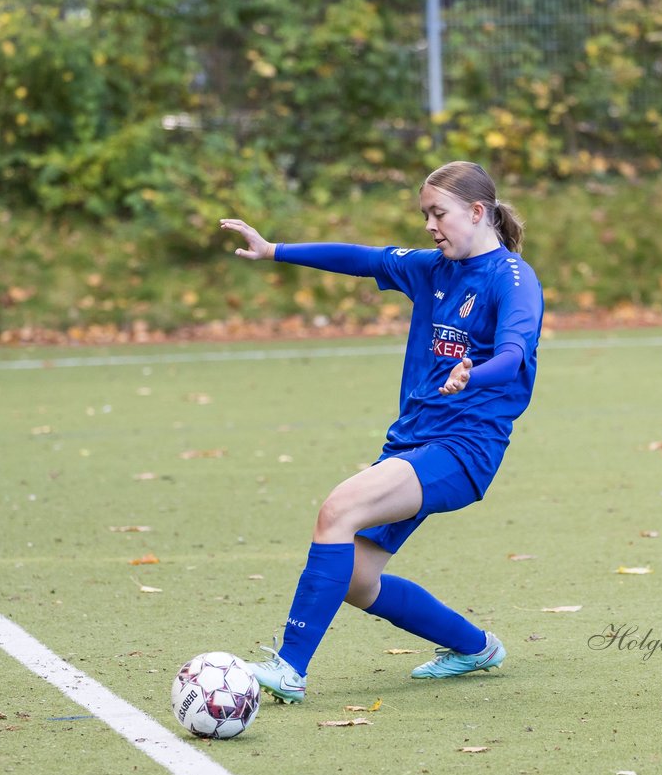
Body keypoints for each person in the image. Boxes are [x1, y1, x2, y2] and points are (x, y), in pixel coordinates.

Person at [219, 161, 543, 703]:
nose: (429, 225)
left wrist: (472, 372)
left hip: (463, 448)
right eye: (425, 214)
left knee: (338, 510)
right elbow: (363, 259)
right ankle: (474, 647)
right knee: (355, 581)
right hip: (413, 441)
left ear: (477, 212)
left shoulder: (512, 278)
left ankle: (288, 668)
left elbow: (512, 355)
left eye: (438, 213)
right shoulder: (434, 269)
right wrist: (275, 250)